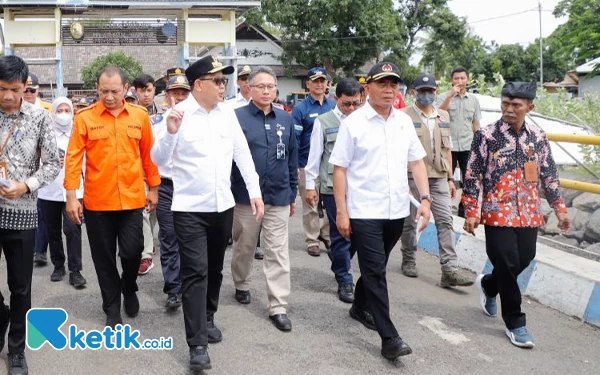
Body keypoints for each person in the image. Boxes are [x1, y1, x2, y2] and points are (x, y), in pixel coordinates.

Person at [151, 55, 264, 370]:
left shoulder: (227, 114)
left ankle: (209, 316)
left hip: (222, 206)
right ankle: (197, 344)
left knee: (215, 269)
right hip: (189, 210)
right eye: (217, 80)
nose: (222, 86)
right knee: (196, 273)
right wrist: (171, 133)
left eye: (223, 80)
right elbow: (157, 159)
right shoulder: (178, 115)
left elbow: (241, 152)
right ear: (198, 84)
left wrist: (254, 191)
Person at [329, 62, 431, 361]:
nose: (389, 90)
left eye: (393, 84)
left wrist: (424, 199)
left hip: (396, 210)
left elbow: (417, 163)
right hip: (364, 210)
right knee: (374, 271)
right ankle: (390, 338)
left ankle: (360, 306)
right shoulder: (354, 123)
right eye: (382, 84)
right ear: (367, 89)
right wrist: (341, 212)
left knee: (377, 267)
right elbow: (339, 169)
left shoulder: (403, 122)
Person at [462, 81, 571, 348]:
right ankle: (515, 322)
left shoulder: (538, 136)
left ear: (529, 107)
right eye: (505, 103)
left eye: (516, 105)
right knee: (508, 262)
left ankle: (489, 284)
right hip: (496, 211)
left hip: (529, 212)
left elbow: (549, 174)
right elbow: (472, 173)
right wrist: (471, 211)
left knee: (525, 258)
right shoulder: (486, 135)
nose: (509, 109)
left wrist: (560, 209)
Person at [64, 66, 160, 328]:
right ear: (97, 87)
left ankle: (129, 287)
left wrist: (153, 188)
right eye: (104, 91)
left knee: (132, 253)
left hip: (131, 200)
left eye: (115, 91)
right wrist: (71, 196)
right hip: (98, 204)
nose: (109, 96)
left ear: (126, 88)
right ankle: (111, 306)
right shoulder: (84, 118)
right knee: (103, 258)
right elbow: (73, 159)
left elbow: (149, 156)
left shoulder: (139, 117)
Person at [0, 55, 60, 375]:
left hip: (21, 214)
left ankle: (17, 350)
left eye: (14, 89)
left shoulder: (39, 118)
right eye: (1, 89)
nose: (8, 96)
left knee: (20, 286)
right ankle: (1, 317)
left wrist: (26, 186)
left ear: (25, 86)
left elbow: (53, 164)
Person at [230, 66, 298, 331]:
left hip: (279, 194)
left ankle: (278, 305)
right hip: (245, 197)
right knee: (245, 245)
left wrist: (292, 191)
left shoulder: (286, 119)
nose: (267, 91)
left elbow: (292, 157)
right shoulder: (236, 118)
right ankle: (241, 282)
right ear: (250, 88)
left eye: (271, 87)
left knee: (278, 252)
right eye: (261, 86)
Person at [399, 74, 474, 287]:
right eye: (422, 91)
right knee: (409, 223)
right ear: (413, 93)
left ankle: (449, 269)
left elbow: (447, 149)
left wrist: (451, 178)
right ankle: (409, 259)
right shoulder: (403, 116)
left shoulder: (443, 116)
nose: (426, 95)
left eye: (430, 91)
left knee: (445, 221)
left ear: (435, 91)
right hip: (411, 176)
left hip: (439, 176)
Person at [304, 78, 363, 303]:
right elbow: (315, 155)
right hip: (331, 187)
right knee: (340, 234)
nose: (351, 109)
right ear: (335, 99)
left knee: (357, 235)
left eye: (356, 104)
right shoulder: (324, 121)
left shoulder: (365, 121)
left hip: (359, 188)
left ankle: (340, 260)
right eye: (346, 104)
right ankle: (344, 279)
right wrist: (311, 186)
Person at [151, 72, 191, 310]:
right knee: (169, 238)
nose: (180, 97)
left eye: (184, 93)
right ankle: (173, 289)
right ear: (167, 96)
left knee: (192, 239)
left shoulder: (199, 119)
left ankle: (191, 284)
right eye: (175, 93)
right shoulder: (157, 122)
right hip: (166, 186)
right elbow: (154, 158)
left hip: (190, 185)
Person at [38, 97, 87, 288]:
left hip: (74, 191)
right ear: (54, 112)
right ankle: (58, 265)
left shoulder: (79, 133)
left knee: (73, 230)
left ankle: (76, 270)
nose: (64, 114)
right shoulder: (46, 133)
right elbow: (36, 158)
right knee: (53, 231)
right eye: (60, 110)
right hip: (49, 191)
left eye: (67, 110)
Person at [293, 67, 335, 256]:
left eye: (322, 81)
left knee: (330, 201)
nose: (319, 84)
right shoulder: (301, 109)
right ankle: (312, 239)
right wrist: (295, 166)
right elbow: (294, 139)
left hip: (329, 163)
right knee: (310, 202)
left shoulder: (333, 106)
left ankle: (326, 235)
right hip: (305, 162)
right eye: (315, 81)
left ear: (327, 83)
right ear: (308, 84)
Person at [437, 67, 482, 217]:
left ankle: (465, 211)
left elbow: (476, 125)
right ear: (452, 80)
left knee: (469, 179)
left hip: (467, 145)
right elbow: (438, 115)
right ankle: (445, 210)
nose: (460, 81)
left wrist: (479, 148)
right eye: (456, 78)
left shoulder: (474, 100)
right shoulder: (443, 96)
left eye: (462, 78)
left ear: (467, 80)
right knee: (445, 179)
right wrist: (450, 96)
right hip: (448, 145)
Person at [133, 73, 159, 275]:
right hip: (141, 171)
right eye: (142, 90)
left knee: (154, 214)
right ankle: (146, 254)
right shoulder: (131, 114)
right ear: (135, 91)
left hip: (163, 171)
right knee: (144, 211)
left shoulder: (166, 112)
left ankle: (151, 243)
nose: (146, 94)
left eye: (149, 90)